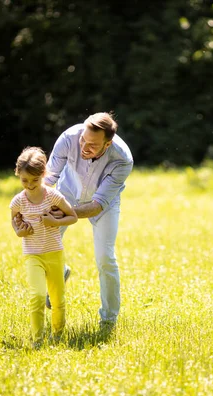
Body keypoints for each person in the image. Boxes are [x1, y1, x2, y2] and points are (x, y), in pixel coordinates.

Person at [44, 112, 133, 329]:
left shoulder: (122, 159)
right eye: (83, 139)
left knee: (105, 258)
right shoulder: (68, 138)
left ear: (108, 143)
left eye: (93, 144)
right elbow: (48, 178)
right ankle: (60, 273)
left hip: (103, 204)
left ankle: (108, 320)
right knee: (45, 246)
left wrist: (66, 214)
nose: (84, 146)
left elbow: (97, 206)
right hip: (66, 193)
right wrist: (37, 206)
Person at [10, 146, 78, 348]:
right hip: (33, 255)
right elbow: (14, 222)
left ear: (43, 175)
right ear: (18, 175)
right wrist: (20, 231)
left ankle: (57, 336)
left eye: (34, 180)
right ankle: (37, 340)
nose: (30, 185)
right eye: (24, 180)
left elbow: (72, 216)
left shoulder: (53, 196)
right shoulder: (18, 201)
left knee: (57, 299)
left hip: (54, 253)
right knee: (38, 295)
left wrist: (54, 222)